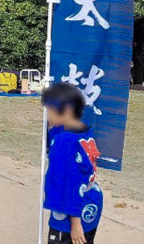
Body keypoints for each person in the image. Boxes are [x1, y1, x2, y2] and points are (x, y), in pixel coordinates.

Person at [42, 82, 103, 244]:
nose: (47, 114)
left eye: (50, 109)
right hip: (91, 200)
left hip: (71, 212)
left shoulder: (64, 142)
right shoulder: (84, 129)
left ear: (67, 110)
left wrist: (75, 224)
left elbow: (69, 182)